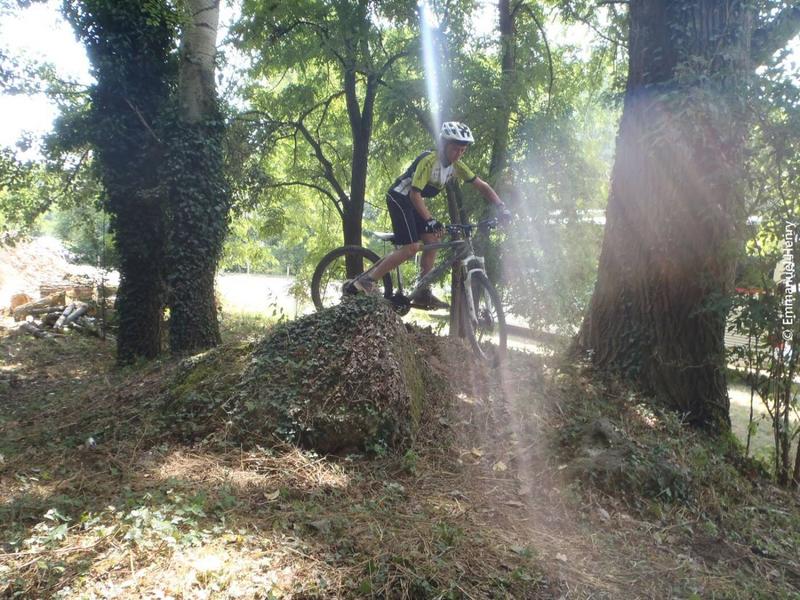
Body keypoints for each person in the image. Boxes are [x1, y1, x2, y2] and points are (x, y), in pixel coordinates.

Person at [349, 121, 511, 309]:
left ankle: (422, 291)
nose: (459, 154)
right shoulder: (429, 161)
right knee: (411, 247)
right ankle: (368, 280)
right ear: (444, 144)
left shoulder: (456, 166)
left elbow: (482, 185)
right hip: (400, 197)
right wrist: (430, 220)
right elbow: (414, 194)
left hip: (413, 202)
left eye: (463, 150)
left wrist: (501, 207)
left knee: (433, 239)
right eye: (455, 149)